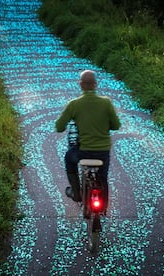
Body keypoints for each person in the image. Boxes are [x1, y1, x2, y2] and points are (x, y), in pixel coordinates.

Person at [55, 70, 121, 206]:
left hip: (83, 151)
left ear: (80, 85)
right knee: (103, 177)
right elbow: (116, 125)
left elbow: (59, 126)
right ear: (95, 84)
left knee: (69, 158)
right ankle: (104, 204)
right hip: (103, 151)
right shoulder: (106, 103)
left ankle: (76, 192)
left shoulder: (74, 104)